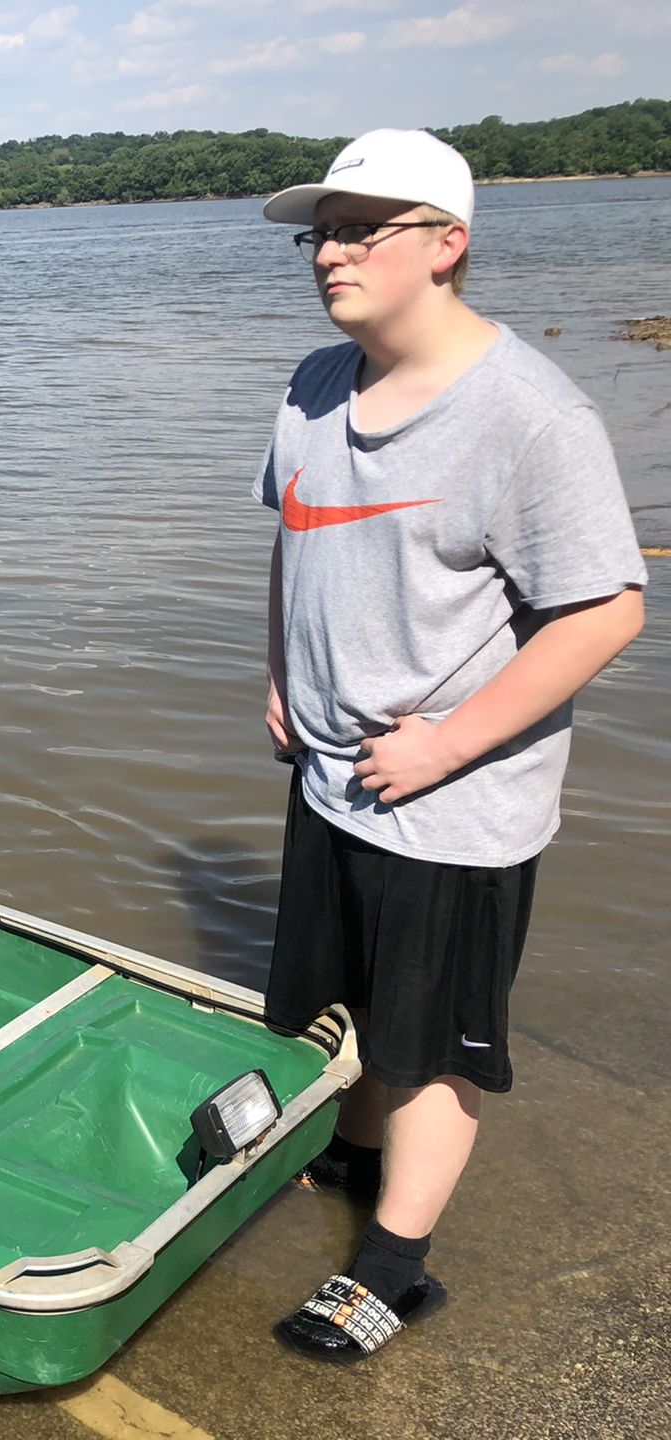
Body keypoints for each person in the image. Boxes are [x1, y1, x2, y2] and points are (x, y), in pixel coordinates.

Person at [253, 128, 647, 1361]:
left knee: (435, 1043)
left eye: (363, 227)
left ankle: (396, 1267)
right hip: (331, 778)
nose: (330, 250)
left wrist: (447, 745)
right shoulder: (316, 384)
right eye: (323, 229)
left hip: (453, 800)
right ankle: (355, 1154)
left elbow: (607, 609)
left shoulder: (533, 417)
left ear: (446, 243)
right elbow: (296, 534)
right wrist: (280, 670)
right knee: (364, 999)